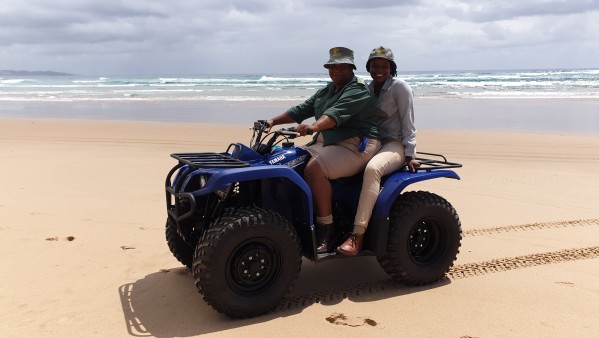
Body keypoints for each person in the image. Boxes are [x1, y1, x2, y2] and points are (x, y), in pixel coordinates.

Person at [267, 47, 381, 254]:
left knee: (314, 169)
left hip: (356, 144)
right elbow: (302, 109)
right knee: (285, 160)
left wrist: (314, 127)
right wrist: (273, 121)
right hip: (328, 141)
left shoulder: (358, 89)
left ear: (351, 68)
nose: (335, 71)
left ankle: (326, 228)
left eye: (341, 67)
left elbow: (334, 114)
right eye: (332, 67)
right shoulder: (328, 90)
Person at [337, 46, 420, 256]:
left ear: (391, 68)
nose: (379, 69)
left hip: (394, 144)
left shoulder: (400, 88)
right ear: (369, 68)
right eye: (375, 66)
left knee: (372, 169)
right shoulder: (367, 88)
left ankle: (358, 234)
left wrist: (409, 154)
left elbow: (408, 123)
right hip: (372, 142)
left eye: (384, 66)